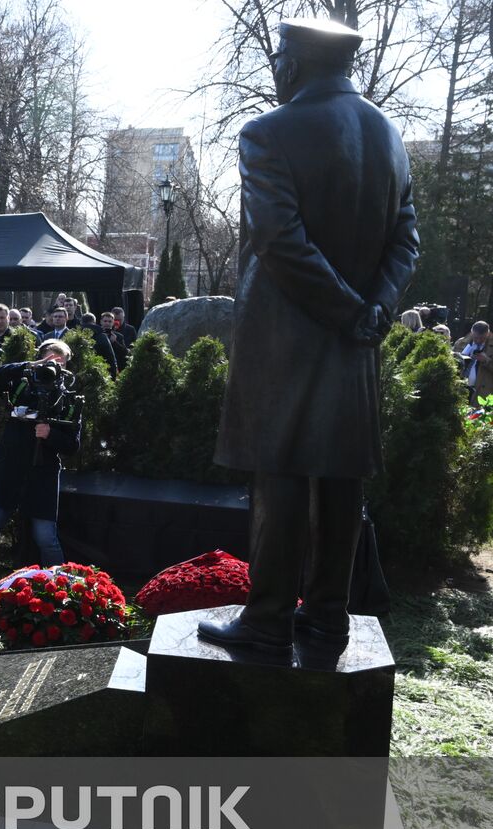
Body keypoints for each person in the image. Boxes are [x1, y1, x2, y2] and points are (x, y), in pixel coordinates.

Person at [203, 17, 419, 662]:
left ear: (293, 63)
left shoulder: (267, 132)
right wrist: (374, 309)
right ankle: (327, 617)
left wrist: (349, 310)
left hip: (290, 339)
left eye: (278, 57)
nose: (274, 66)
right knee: (342, 476)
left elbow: (278, 239)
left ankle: (269, 617)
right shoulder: (389, 135)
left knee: (283, 476)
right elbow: (406, 240)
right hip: (354, 343)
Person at [0, 340, 81, 593]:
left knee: (46, 537)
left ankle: (60, 588)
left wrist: (50, 435)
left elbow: (73, 445)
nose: (54, 367)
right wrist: (28, 366)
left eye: (60, 362)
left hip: (42, 474)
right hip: (9, 470)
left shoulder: (68, 400)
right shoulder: (22, 386)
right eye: (49, 360)